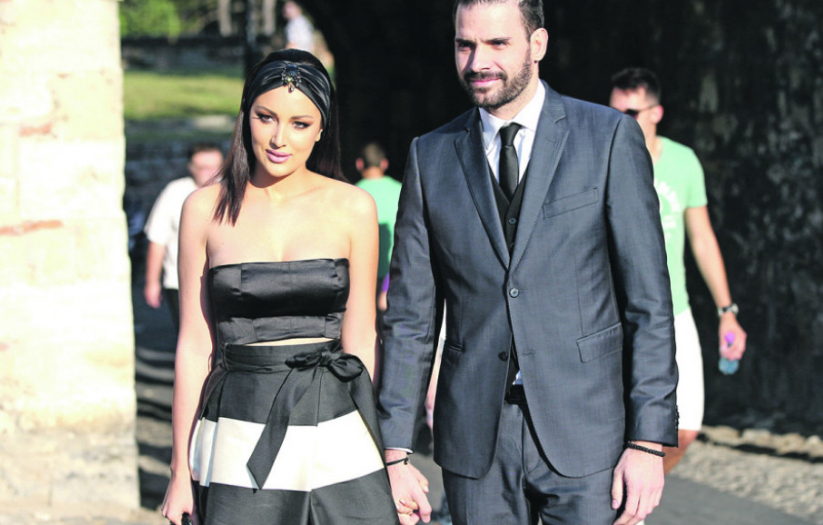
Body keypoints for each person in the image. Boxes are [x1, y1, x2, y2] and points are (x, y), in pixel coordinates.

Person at [377, 1, 679, 524]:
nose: (477, 62)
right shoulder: (430, 156)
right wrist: (394, 452)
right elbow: (410, 319)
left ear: (537, 45)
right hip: (475, 440)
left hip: (589, 433)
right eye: (465, 44)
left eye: (497, 43)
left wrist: (648, 442)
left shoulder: (607, 138)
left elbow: (648, 303)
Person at [160, 49, 399, 525]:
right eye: (265, 117)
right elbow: (194, 346)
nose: (278, 139)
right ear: (245, 115)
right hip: (237, 427)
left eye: (299, 123)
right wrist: (179, 472)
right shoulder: (202, 208)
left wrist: (389, 457)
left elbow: (361, 340)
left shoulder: (353, 207)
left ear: (322, 128)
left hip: (338, 424)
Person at [609, 67, 748, 473]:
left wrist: (727, 312)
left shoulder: (683, 161)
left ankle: (630, 497)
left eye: (630, 113)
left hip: (674, 311)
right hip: (617, 315)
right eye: (613, 111)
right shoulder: (600, 158)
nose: (619, 121)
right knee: (620, 429)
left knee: (685, 429)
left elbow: (702, 238)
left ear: (656, 113)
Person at [144, 143, 224, 328]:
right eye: (203, 168)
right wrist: (152, 282)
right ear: (191, 167)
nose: (210, 173)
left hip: (223, 281)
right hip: (180, 282)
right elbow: (157, 240)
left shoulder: (233, 191)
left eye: (215, 167)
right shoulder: (174, 192)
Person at [354, 142, 402, 312]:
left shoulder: (351, 194)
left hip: (361, 277)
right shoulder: (402, 190)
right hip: (395, 274)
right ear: (384, 164)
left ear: (359, 164)